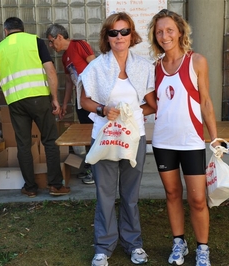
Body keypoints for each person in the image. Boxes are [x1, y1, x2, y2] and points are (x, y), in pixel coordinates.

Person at [77, 12, 156, 266]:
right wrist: (102, 110)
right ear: (107, 37)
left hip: (134, 137)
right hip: (105, 136)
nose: (119, 37)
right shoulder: (97, 66)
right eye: (113, 32)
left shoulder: (144, 66)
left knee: (130, 194)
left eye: (124, 32)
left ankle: (134, 244)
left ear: (132, 35)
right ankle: (103, 246)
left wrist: (131, 114)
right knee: (105, 194)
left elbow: (152, 104)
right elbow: (84, 101)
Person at [147, 9, 220, 266]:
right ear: (154, 36)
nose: (164, 36)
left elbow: (206, 102)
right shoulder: (155, 67)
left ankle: (203, 249)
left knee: (198, 199)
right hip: (163, 143)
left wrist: (214, 138)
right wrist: (122, 113)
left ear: (180, 31)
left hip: (191, 142)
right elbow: (155, 104)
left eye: (169, 30)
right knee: (172, 194)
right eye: (159, 32)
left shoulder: (196, 61)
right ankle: (179, 242)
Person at [0, 17, 70, 198]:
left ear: (6, 31)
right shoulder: (35, 41)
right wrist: (54, 98)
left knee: (23, 145)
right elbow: (50, 70)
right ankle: (55, 185)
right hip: (39, 98)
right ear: (22, 29)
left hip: (16, 102)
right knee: (49, 140)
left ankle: (30, 187)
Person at [45, 23, 96, 185]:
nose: (51, 46)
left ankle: (97, 171)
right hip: (80, 100)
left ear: (60, 36)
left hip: (93, 99)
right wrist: (65, 103)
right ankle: (91, 166)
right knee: (87, 133)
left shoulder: (79, 45)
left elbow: (95, 67)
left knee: (95, 133)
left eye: (52, 41)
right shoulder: (64, 57)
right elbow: (68, 82)